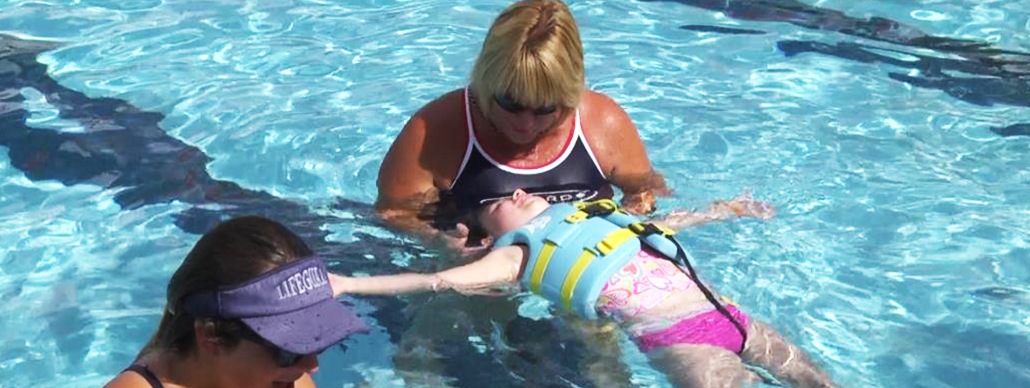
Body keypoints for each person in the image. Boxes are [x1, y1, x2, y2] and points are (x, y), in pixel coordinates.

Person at [330, 190, 836, 388]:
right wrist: (348, 283)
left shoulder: (589, 217)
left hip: (728, 314)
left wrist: (724, 210)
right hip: (680, 338)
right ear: (488, 234)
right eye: (501, 201)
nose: (520, 193)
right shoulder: (514, 256)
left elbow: (664, 226)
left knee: (818, 379)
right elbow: (432, 279)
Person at [376, 0, 668, 251]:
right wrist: (441, 243)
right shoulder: (435, 132)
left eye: (545, 107)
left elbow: (645, 192)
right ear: (487, 80)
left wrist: (623, 230)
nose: (525, 124)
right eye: (510, 102)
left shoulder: (603, 124)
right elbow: (393, 214)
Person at [104, 216, 368, 388]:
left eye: (314, 340)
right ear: (210, 336)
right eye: (288, 351)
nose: (311, 366)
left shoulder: (293, 382)